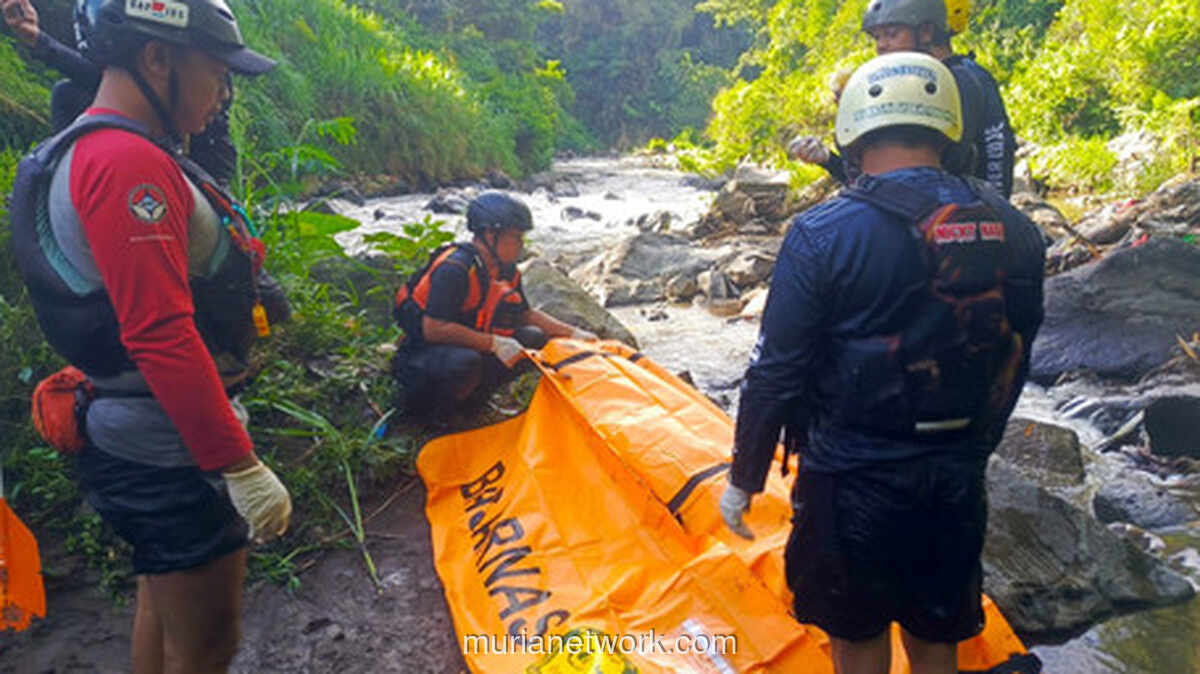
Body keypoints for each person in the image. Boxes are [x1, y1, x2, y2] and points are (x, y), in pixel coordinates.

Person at [721, 52, 1044, 674]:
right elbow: (1017, 352)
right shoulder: (1017, 229)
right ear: (947, 127)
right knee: (936, 632)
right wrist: (977, 447)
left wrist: (745, 476)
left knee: (858, 634)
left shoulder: (821, 232)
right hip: (954, 478)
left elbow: (776, 370)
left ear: (853, 130)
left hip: (851, 480)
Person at [9, 1, 291, 672]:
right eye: (216, 72)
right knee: (207, 645)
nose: (223, 94)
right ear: (157, 59)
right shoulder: (126, 163)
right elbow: (160, 332)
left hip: (141, 431)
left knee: (160, 611)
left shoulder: (102, 145)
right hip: (168, 451)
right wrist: (239, 464)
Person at [392, 191, 598, 419]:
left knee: (533, 337)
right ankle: (434, 417)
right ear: (490, 235)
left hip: (467, 346)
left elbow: (525, 314)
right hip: (421, 356)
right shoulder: (455, 268)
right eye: (516, 237)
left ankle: (474, 404)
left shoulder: (505, 269)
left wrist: (574, 334)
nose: (521, 245)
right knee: (464, 363)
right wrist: (493, 343)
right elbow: (434, 329)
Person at [790, 0, 1017, 198]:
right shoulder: (910, 84)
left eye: (892, 34)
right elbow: (882, 178)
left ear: (926, 32)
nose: (881, 46)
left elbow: (917, 176)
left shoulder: (963, 80)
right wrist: (830, 158)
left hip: (960, 216)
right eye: (877, 37)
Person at [2, 0, 238, 187]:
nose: (224, 94)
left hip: (197, 169)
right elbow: (103, 79)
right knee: (66, 93)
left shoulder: (196, 100)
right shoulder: (108, 91)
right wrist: (37, 40)